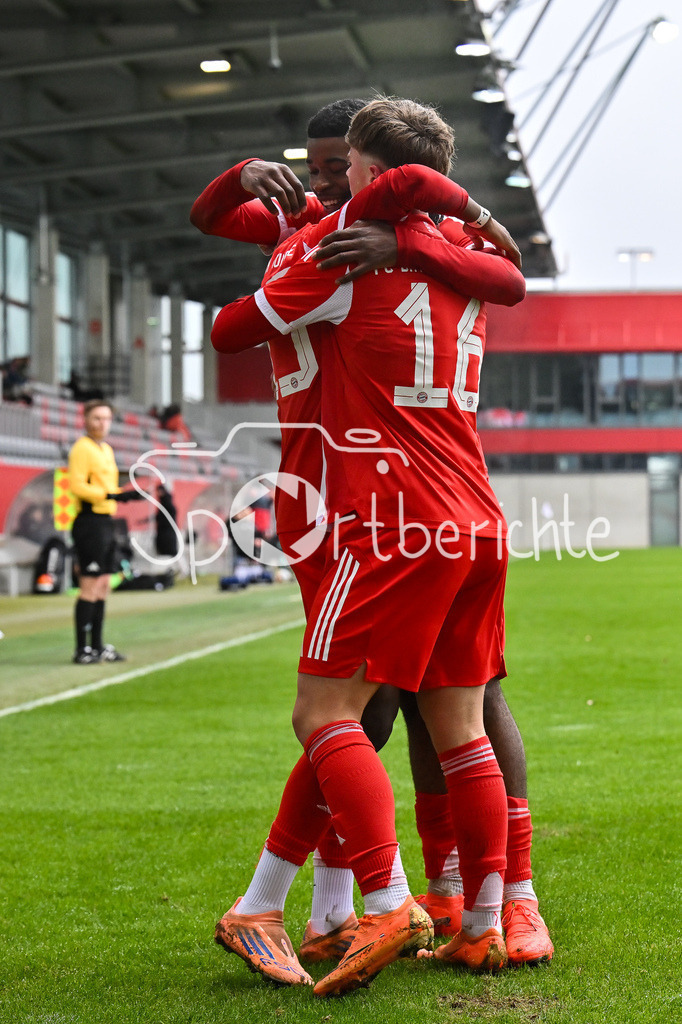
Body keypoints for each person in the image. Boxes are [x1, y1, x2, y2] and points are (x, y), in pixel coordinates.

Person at [196, 99, 551, 970]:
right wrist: (465, 225)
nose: (321, 179)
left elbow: (229, 329)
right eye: (310, 165)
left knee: (346, 709)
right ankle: (454, 913)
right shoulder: (448, 256)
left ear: (364, 172)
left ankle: (379, 899)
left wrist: (313, 262)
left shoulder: (333, 249)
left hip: (363, 501)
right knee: (438, 712)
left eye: (336, 165)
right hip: (455, 503)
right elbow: (509, 279)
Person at [68, 399, 145, 664]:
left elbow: (108, 488)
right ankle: (82, 649)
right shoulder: (82, 448)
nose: (102, 423)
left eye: (106, 418)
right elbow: (77, 485)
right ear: (86, 420)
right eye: (96, 418)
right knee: (89, 585)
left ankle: (98, 645)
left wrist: (125, 495)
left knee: (103, 585)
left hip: (105, 522)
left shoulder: (106, 450)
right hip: (89, 521)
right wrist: (109, 494)